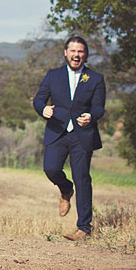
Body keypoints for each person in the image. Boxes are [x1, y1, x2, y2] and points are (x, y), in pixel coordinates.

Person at [33, 36, 106, 241]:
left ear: (85, 55)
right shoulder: (53, 75)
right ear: (65, 52)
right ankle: (66, 189)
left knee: (82, 178)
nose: (76, 55)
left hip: (82, 135)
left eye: (81, 51)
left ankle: (84, 228)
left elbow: (99, 107)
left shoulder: (96, 78)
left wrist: (91, 116)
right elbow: (39, 99)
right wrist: (43, 109)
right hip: (58, 130)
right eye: (73, 51)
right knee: (51, 169)